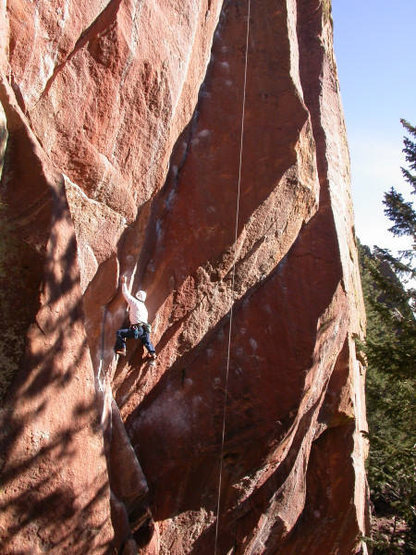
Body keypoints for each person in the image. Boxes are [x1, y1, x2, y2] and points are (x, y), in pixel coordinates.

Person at [114, 275, 157, 359]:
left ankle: (122, 349)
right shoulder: (145, 308)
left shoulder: (135, 302)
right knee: (146, 341)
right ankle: (153, 353)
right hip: (145, 330)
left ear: (137, 296)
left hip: (137, 329)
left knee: (119, 333)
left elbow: (125, 293)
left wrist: (123, 282)